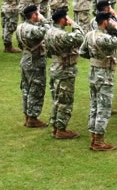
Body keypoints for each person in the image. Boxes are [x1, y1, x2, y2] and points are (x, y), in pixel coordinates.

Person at [86, 10, 117, 151]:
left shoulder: (89, 35)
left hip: (93, 73)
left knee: (94, 105)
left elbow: (82, 52)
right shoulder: (103, 38)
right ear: (105, 22)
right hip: (104, 75)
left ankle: (93, 135)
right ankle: (98, 141)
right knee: (103, 108)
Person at [45, 8, 83, 140]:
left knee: (57, 98)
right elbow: (80, 36)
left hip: (55, 67)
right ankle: (61, 129)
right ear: (62, 19)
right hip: (65, 69)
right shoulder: (61, 35)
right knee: (65, 100)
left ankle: (56, 126)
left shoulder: (49, 31)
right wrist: (74, 24)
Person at [18, 4, 50, 128]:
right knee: (36, 89)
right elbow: (48, 31)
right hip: (35, 61)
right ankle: (33, 117)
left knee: (26, 88)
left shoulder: (21, 27)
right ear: (34, 15)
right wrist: (44, 19)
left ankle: (27, 114)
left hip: (25, 58)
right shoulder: (32, 29)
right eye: (37, 13)